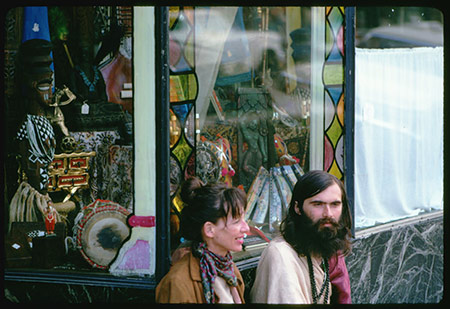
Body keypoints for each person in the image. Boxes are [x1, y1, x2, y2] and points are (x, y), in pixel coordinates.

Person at [250, 170, 352, 304]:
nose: (328, 214)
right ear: (297, 208)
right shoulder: (281, 255)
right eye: (318, 204)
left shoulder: (325, 245)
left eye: (335, 204)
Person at [156, 177, 250, 304]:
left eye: (244, 219)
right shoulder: (178, 283)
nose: (246, 228)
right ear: (210, 230)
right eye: (236, 221)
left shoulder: (230, 270)